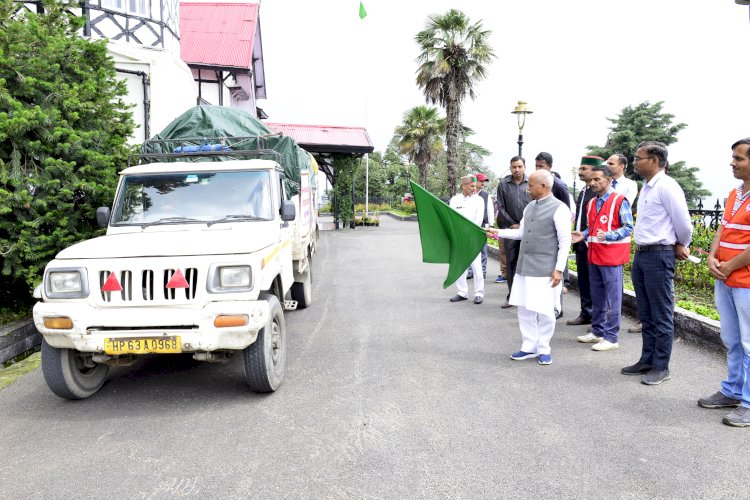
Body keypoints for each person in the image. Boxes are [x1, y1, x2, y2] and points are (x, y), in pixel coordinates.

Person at [621, 141, 692, 385]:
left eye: (638, 158)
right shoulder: (648, 188)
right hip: (642, 254)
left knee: (661, 313)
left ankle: (662, 366)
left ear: (653, 161)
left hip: (660, 254)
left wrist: (681, 243)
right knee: (646, 312)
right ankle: (647, 359)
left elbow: (683, 222)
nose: (634, 162)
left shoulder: (667, 187)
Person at [487, 170, 572, 365]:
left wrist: (559, 269)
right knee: (524, 308)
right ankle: (529, 346)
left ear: (544, 186)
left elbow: (565, 241)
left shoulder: (560, 208)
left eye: (531, 185)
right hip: (524, 267)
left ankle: (544, 348)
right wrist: (498, 232)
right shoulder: (530, 207)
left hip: (545, 269)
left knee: (544, 310)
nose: (527, 189)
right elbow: (521, 233)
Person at [698, 137, 750, 427]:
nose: (732, 163)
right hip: (726, 278)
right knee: (732, 340)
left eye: (739, 158)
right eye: (733, 157)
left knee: (749, 342)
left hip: (745, 280)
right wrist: (712, 257)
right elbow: (723, 229)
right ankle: (733, 391)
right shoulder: (735, 193)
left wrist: (729, 265)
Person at [572, 164, 634, 351]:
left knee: (613, 299)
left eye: (597, 179)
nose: (593, 183)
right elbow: (594, 227)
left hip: (612, 257)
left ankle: (612, 337)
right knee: (597, 296)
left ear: (608, 180)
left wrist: (609, 236)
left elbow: (628, 227)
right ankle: (598, 332)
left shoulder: (619, 200)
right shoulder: (592, 202)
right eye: (591, 179)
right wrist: (584, 234)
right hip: (595, 255)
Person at [535, 152, 571, 318]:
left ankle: (558, 308)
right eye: (536, 166)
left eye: (541, 166)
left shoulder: (559, 185)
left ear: (549, 167)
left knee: (557, 271)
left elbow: (566, 210)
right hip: (542, 236)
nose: (538, 169)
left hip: (556, 234)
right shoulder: (537, 182)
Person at [567, 156, 601, 327]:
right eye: (580, 169)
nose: (580, 172)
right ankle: (586, 312)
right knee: (584, 280)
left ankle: (598, 316)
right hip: (581, 242)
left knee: (595, 281)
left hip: (593, 243)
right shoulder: (583, 190)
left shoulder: (597, 192)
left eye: (584, 169)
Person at [496, 156, 531, 308]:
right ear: (510, 168)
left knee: (527, 264)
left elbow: (534, 204)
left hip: (528, 230)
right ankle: (512, 296)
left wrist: (523, 224)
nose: (516, 170)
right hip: (510, 230)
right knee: (511, 264)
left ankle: (527, 297)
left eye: (519, 166)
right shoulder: (503, 184)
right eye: (513, 167)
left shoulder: (531, 183)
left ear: (524, 167)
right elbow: (500, 206)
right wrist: (513, 224)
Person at [449, 175, 485, 304]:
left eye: (475, 186)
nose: (474, 189)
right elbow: (452, 218)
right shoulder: (454, 200)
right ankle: (462, 292)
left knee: (477, 267)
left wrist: (470, 233)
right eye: (471, 186)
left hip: (473, 238)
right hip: (459, 238)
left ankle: (479, 293)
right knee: (460, 266)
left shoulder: (479, 200)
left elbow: (479, 219)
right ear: (463, 186)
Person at [468, 173, 494, 280]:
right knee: (470, 248)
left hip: (483, 225)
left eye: (484, 181)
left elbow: (490, 210)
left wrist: (491, 225)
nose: (483, 183)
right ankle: (470, 271)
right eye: (481, 181)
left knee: (483, 250)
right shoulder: (469, 194)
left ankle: (482, 271)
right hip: (470, 225)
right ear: (475, 182)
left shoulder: (486, 195)